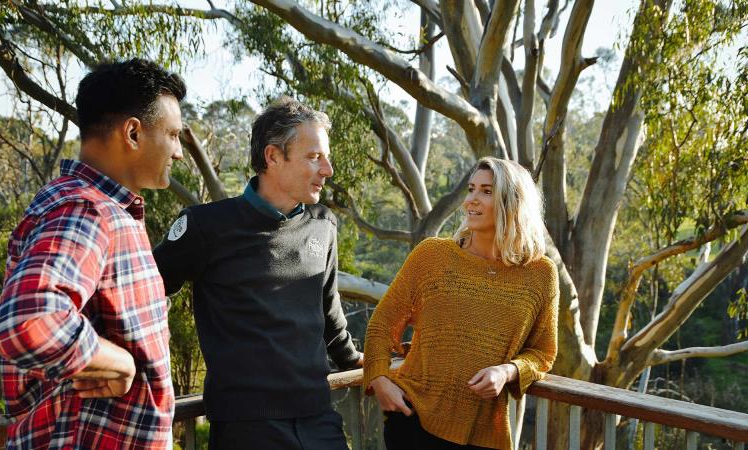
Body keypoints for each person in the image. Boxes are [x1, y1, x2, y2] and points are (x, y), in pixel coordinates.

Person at [0, 59, 186, 449]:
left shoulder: (104, 210)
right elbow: (27, 320)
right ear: (132, 133)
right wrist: (120, 362)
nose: (178, 151)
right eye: (173, 135)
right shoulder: (87, 210)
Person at [153, 96, 362, 450]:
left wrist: (355, 360)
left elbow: (328, 308)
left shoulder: (322, 224)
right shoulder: (204, 226)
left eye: (326, 157)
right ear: (273, 156)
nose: (327, 169)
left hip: (319, 420)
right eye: (314, 157)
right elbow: (143, 291)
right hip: (246, 428)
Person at [362, 157, 559, 450]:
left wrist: (508, 371)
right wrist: (379, 380)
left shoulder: (541, 274)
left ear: (513, 202)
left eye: (487, 191)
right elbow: (381, 326)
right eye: (471, 189)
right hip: (412, 421)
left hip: (483, 432)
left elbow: (542, 352)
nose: (471, 201)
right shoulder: (432, 256)